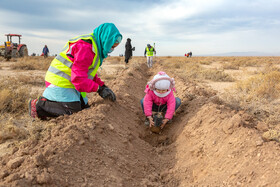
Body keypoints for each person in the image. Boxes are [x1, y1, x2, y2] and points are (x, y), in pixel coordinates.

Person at [28, 23, 122, 119]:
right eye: (111, 46)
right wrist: (98, 89)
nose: (111, 50)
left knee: (84, 108)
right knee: (74, 111)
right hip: (59, 81)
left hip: (70, 82)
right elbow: (78, 79)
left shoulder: (95, 47)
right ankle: (40, 106)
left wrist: (102, 86)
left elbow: (87, 73)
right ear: (105, 39)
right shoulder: (87, 48)